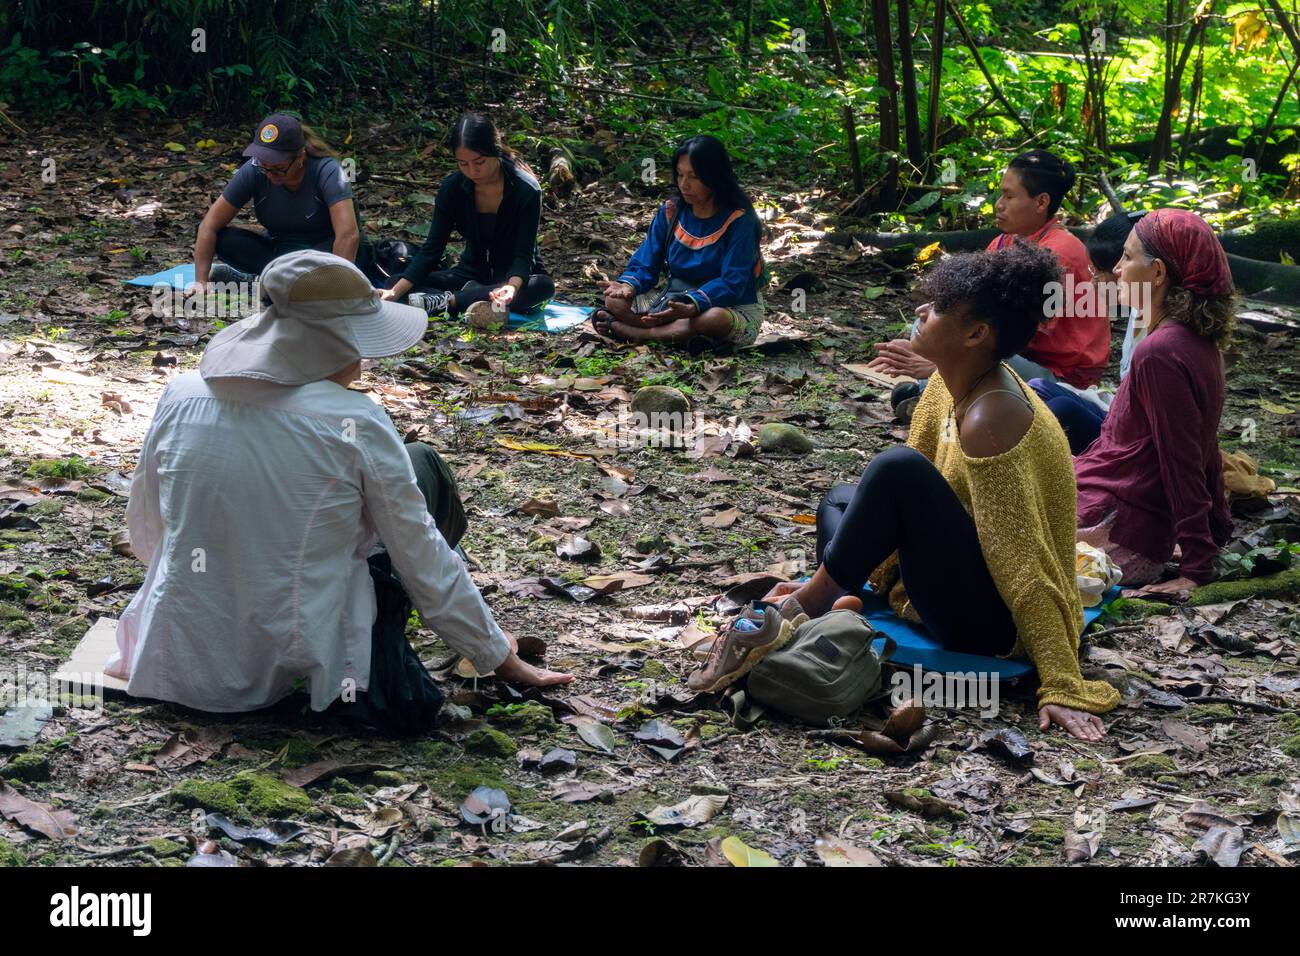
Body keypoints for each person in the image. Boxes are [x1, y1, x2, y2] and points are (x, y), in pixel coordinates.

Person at [108, 250, 570, 732]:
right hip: (305, 648)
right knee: (423, 464)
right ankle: (390, 648)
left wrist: (221, 577)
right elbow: (423, 555)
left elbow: (149, 527)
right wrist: (498, 656)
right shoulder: (354, 421)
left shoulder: (181, 394)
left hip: (182, 650)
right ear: (338, 342)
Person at [694, 242, 1120, 741]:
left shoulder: (993, 416)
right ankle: (839, 589)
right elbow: (913, 493)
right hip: (956, 565)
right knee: (840, 498)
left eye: (938, 309)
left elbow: (1023, 560)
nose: (921, 312)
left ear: (976, 334)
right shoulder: (949, 380)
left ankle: (807, 603)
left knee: (894, 470)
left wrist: (1061, 682)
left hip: (991, 623)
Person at [1074, 209, 1236, 598]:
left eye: (1128, 257)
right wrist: (1215, 529)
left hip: (1118, 533)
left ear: (1159, 273)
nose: (1116, 267)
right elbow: (1203, 445)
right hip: (1119, 509)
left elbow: (1182, 459)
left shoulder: (1160, 351)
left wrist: (1197, 565)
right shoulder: (1191, 341)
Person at [875, 149, 1109, 415]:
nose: (999, 204)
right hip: (1015, 355)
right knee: (927, 322)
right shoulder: (1003, 241)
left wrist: (939, 359)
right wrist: (928, 340)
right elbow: (967, 305)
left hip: (1056, 378)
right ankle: (935, 391)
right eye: (1001, 194)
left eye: (1009, 196)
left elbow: (1016, 334)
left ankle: (938, 390)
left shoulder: (1061, 252)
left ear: (1041, 202)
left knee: (957, 334)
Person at [591, 135, 765, 349]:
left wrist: (694, 304)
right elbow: (647, 260)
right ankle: (670, 333)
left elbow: (733, 282)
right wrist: (628, 285)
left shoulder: (740, 220)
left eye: (694, 177)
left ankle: (631, 332)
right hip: (672, 298)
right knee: (614, 301)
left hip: (728, 305)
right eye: (680, 175)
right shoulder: (671, 212)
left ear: (715, 177)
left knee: (713, 319)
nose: (684, 184)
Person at [380, 114, 554, 319]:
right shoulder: (452, 188)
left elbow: (524, 255)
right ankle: (469, 300)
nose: (473, 171)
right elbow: (432, 250)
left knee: (542, 287)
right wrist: (393, 293)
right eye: (463, 164)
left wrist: (512, 287)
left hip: (514, 278)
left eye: (479, 162)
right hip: (469, 275)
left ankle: (449, 302)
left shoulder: (526, 190)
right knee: (396, 282)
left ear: (495, 151)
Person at [193, 113, 375, 289]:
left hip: (328, 255)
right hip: (282, 255)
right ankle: (274, 284)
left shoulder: (328, 171)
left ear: (301, 157)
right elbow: (208, 226)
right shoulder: (254, 170)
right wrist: (200, 282)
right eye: (265, 167)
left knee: (323, 264)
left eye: (279, 168)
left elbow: (348, 235)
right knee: (225, 240)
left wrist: (334, 288)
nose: (270, 174)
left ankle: (269, 286)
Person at [1029, 211, 1149, 453]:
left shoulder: (1166, 335)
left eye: (1122, 262)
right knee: (1035, 388)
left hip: (1138, 442)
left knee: (1061, 410)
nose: (1094, 281)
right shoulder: (1140, 308)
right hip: (1122, 413)